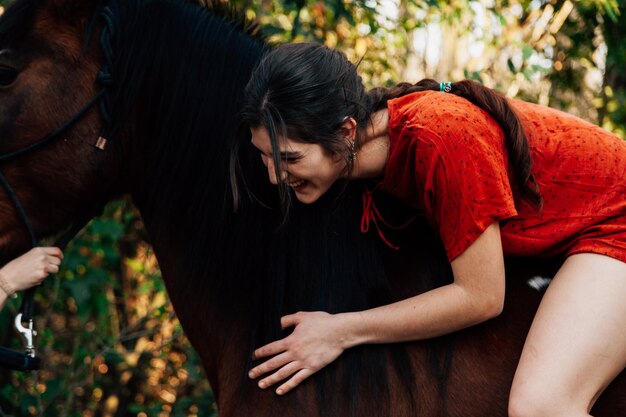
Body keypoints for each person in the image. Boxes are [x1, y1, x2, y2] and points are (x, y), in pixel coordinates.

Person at [230, 42, 626, 417]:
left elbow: (482, 297)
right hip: (582, 225)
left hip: (616, 219)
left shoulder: (440, 138)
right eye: (264, 156)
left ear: (347, 132)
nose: (274, 175)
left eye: (288, 158)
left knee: (541, 406)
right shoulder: (373, 146)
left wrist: (339, 331)